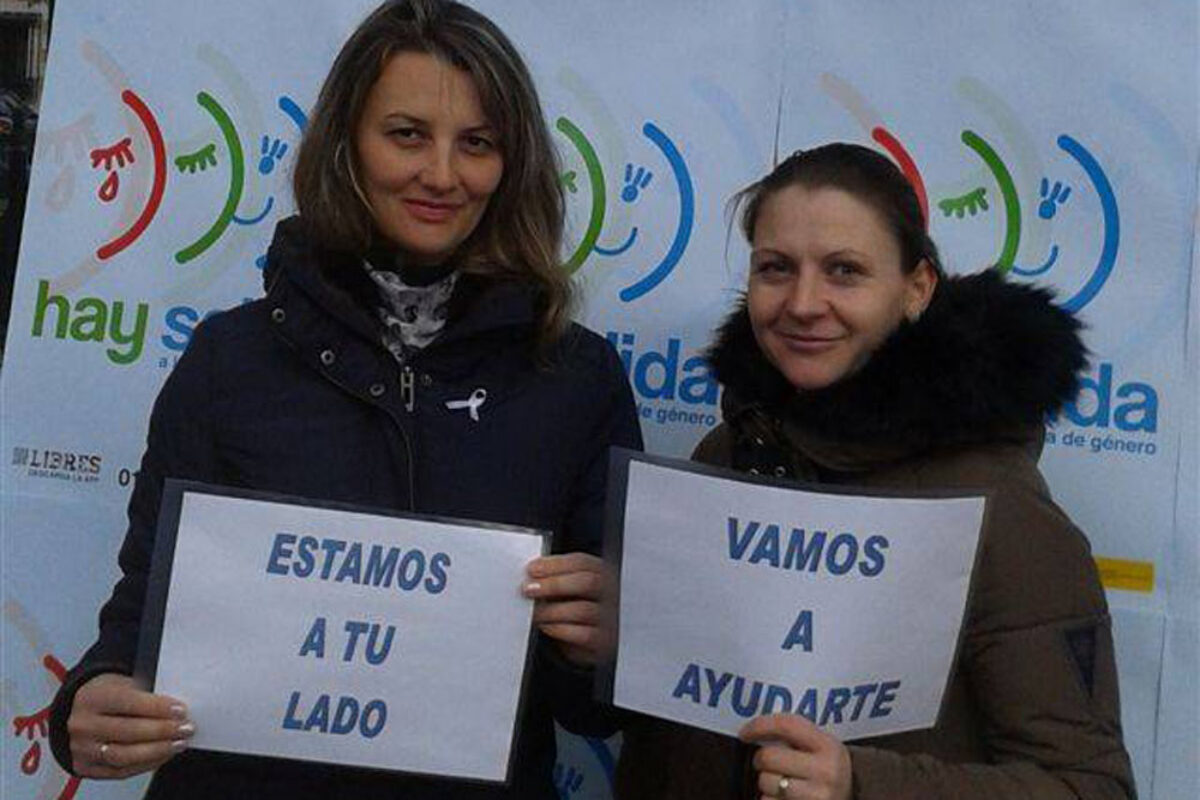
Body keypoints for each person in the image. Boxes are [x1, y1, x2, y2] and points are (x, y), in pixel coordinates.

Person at [48, 1, 641, 797]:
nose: (441, 174)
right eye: (406, 134)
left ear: (514, 163)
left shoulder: (576, 377)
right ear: (346, 146)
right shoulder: (232, 360)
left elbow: (595, 713)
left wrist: (603, 644)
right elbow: (143, 611)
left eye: (477, 143)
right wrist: (92, 698)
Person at [615, 143, 1135, 799]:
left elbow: (1091, 787)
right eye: (776, 268)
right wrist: (617, 642)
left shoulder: (999, 507)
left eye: (844, 272)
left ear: (915, 289)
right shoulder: (727, 453)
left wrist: (862, 784)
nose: (804, 303)